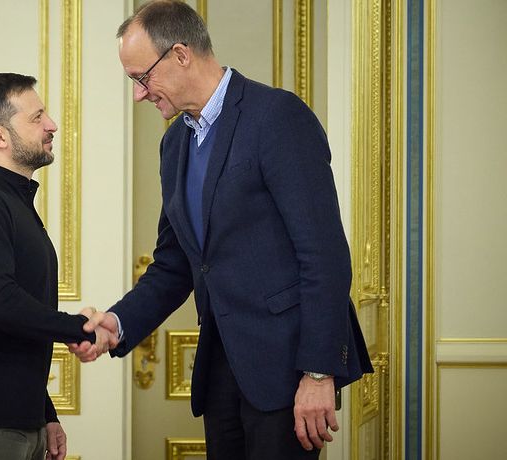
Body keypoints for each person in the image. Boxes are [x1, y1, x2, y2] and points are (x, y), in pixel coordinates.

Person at [69, 2, 373, 459]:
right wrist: (116, 323)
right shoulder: (174, 143)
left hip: (288, 370)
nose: (138, 94)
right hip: (221, 373)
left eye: (141, 77)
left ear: (180, 54)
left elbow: (324, 255)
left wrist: (317, 372)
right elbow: (175, 265)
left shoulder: (276, 117)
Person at [0, 72, 116, 460]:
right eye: (37, 117)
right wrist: (77, 327)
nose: (52, 125)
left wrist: (44, 413)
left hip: (14, 421)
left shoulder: (8, 201)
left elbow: (14, 328)